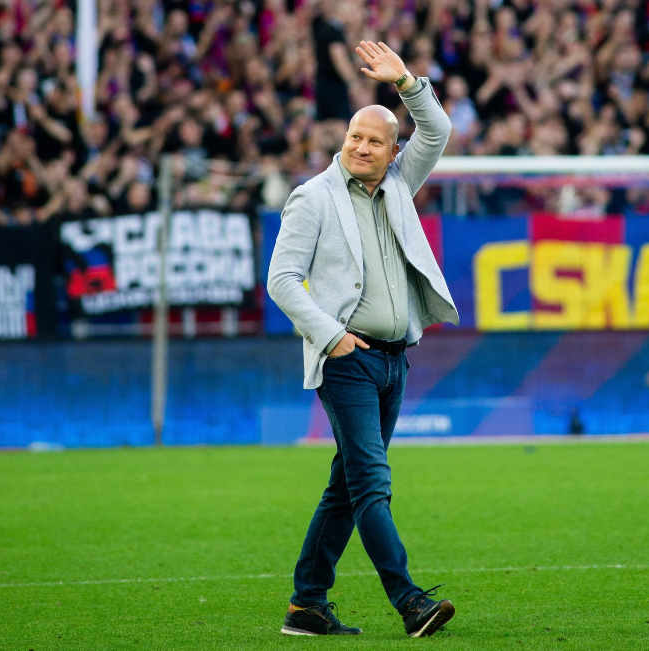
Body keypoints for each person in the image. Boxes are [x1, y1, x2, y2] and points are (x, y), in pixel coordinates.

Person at [267, 40, 459, 638]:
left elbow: (438, 130)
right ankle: (410, 601)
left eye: (375, 140)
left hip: (395, 360)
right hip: (347, 360)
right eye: (355, 136)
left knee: (346, 488)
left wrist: (406, 82)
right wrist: (332, 338)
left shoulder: (400, 181)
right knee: (372, 482)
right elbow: (281, 280)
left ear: (393, 151)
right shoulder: (313, 197)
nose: (361, 147)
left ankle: (306, 606)